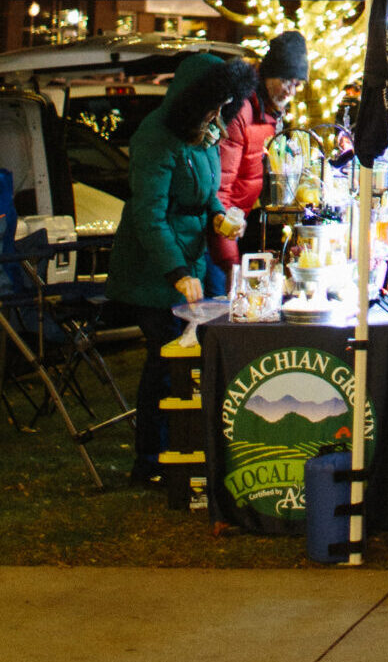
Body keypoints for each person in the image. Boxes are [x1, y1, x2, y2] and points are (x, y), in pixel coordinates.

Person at [106, 52, 258, 487]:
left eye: (221, 109)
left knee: (183, 356)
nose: (215, 117)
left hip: (187, 258)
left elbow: (207, 194)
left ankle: (181, 445)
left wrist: (221, 216)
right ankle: (150, 458)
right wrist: (176, 270)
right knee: (163, 358)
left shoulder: (207, 133)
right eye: (211, 108)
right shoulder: (155, 136)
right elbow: (148, 215)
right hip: (151, 266)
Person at [204, 30, 308, 296]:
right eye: (285, 80)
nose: (290, 90)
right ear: (266, 74)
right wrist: (230, 263)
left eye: (296, 84)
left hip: (236, 227)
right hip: (215, 236)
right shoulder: (244, 111)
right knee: (218, 313)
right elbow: (221, 187)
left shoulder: (269, 113)